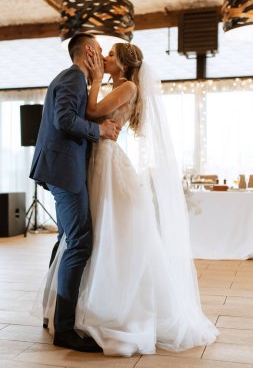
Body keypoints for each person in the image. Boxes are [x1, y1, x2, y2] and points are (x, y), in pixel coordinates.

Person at [42, 42, 219, 356]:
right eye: (104, 53)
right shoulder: (113, 84)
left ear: (123, 63)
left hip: (106, 161)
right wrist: (96, 82)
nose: (106, 59)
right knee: (84, 237)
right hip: (93, 160)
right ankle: (73, 311)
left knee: (104, 234)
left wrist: (95, 79)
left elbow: (92, 112)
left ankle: (112, 311)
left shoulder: (127, 87)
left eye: (111, 55)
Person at [29, 33, 121, 353]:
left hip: (63, 168)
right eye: (98, 49)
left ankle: (51, 311)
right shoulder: (72, 77)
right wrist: (100, 130)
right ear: (88, 51)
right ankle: (64, 330)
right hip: (64, 171)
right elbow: (64, 119)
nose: (101, 56)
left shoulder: (77, 80)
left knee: (66, 239)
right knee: (81, 241)